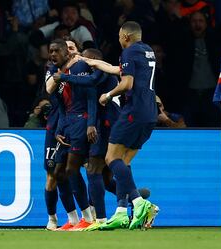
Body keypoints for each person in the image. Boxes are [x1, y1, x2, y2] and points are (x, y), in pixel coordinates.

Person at [79, 21, 159, 230]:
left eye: (118, 35)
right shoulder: (147, 51)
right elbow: (119, 71)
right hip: (150, 113)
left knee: (110, 157)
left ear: (125, 36)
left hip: (134, 111)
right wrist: (96, 63)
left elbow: (126, 83)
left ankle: (139, 203)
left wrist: (108, 95)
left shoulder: (129, 52)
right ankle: (122, 212)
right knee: (124, 161)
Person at [46, 38, 97, 231]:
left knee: (73, 170)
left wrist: (91, 124)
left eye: (56, 51)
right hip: (66, 123)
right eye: (50, 52)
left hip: (82, 120)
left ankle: (88, 218)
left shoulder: (80, 67)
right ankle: (73, 219)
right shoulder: (54, 73)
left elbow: (91, 96)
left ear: (67, 53)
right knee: (58, 173)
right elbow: (60, 105)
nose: (52, 55)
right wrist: (59, 128)